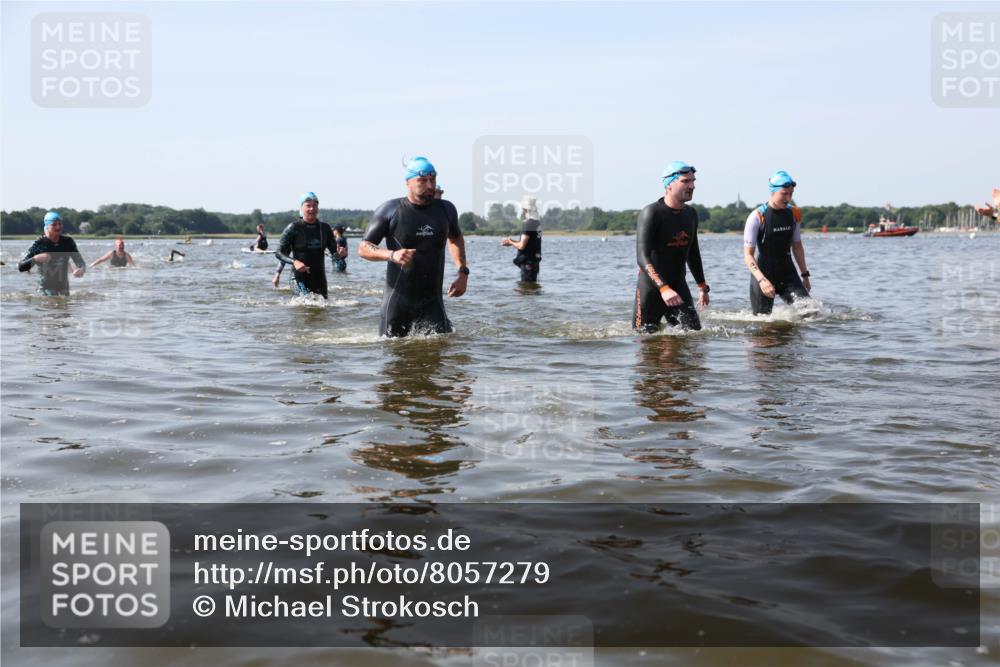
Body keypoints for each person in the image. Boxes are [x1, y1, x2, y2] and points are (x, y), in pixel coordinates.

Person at [359, 156, 468, 337]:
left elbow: (456, 239)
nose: (430, 186)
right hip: (398, 303)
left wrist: (463, 272)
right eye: (422, 181)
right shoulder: (390, 210)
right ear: (408, 182)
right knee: (394, 360)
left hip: (432, 303)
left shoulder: (446, 209)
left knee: (441, 355)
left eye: (432, 180)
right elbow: (363, 247)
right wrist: (391, 255)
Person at [632, 161, 709, 332]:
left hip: (679, 286)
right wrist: (664, 288)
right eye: (685, 181)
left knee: (695, 338)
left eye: (693, 181)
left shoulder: (691, 214)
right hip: (651, 289)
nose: (692, 186)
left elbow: (693, 252)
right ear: (669, 185)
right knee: (644, 341)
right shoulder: (651, 213)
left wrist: (702, 286)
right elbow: (642, 257)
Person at [743, 170, 811, 315]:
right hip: (764, 274)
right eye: (784, 194)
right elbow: (748, 255)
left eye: (791, 194)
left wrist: (805, 276)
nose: (788, 198)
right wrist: (762, 280)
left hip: (788, 274)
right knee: (763, 323)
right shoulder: (757, 216)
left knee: (810, 312)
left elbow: (797, 246)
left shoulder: (794, 213)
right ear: (773, 192)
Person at [275, 192, 340, 298]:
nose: (312, 209)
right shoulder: (293, 228)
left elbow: (334, 254)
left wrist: (339, 255)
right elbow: (279, 252)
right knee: (306, 305)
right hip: (299, 278)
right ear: (301, 208)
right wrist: (294, 262)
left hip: (320, 279)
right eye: (308, 206)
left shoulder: (325, 228)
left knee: (322, 310)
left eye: (315, 205)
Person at [17, 211, 86, 295]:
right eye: (54, 224)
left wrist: (80, 270)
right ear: (47, 226)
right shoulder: (39, 244)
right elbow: (21, 267)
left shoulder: (68, 242)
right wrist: (36, 258)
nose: (58, 227)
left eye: (60, 224)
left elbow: (81, 263)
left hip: (64, 289)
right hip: (45, 290)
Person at [501, 194, 543, 282]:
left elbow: (521, 246)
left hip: (528, 262)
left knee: (525, 290)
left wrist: (511, 243)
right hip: (535, 261)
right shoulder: (537, 222)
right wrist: (512, 241)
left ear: (525, 209)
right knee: (533, 288)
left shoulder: (528, 223)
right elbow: (530, 243)